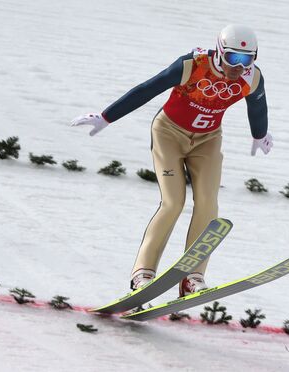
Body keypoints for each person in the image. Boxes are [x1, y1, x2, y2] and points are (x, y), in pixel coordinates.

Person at [71, 24, 272, 297]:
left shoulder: (252, 78)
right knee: (173, 202)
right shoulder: (192, 65)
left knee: (208, 205)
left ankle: (193, 277)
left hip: (208, 140)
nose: (239, 66)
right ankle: (143, 273)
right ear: (220, 51)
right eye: (233, 58)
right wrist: (106, 117)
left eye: (247, 59)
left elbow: (258, 105)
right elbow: (147, 89)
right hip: (169, 134)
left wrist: (259, 135)